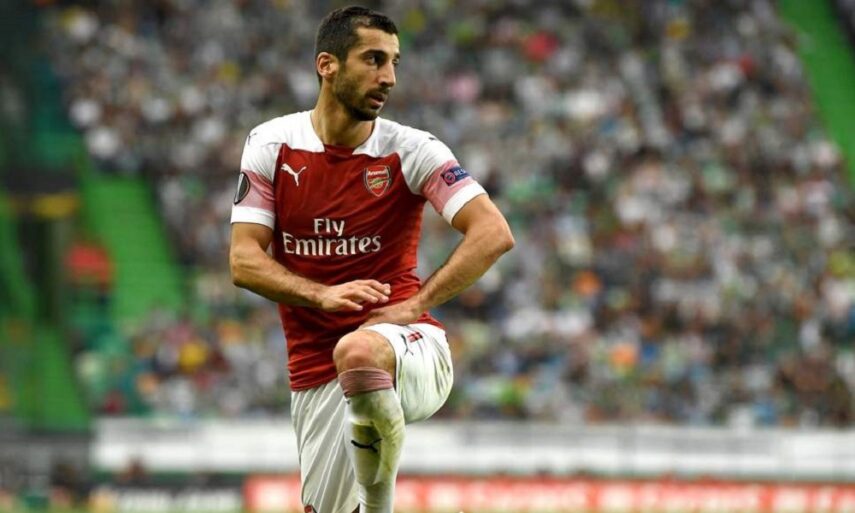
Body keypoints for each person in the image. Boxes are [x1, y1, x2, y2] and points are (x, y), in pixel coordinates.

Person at [228, 6, 514, 513]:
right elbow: (244, 260)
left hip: (409, 347)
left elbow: (492, 232)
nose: (389, 78)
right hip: (316, 373)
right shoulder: (271, 144)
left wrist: (415, 305)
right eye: (374, 59)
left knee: (358, 350)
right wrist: (321, 295)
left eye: (394, 63)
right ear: (327, 65)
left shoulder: (412, 150)